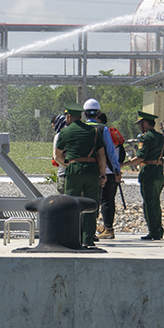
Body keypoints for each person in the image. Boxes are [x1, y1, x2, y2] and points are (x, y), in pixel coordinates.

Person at [54, 101, 107, 247]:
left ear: (69, 117)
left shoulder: (64, 132)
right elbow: (102, 155)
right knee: (90, 205)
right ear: (81, 116)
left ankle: (73, 237)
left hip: (73, 170)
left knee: (72, 205)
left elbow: (57, 155)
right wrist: (103, 174)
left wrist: (67, 164)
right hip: (92, 170)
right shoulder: (95, 131)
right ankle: (88, 239)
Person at [122, 111, 164, 240]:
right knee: (156, 202)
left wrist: (123, 165)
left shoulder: (145, 137)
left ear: (146, 123)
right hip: (159, 173)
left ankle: (153, 231)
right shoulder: (162, 138)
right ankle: (158, 230)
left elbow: (140, 157)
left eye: (140, 124)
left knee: (149, 203)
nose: (139, 127)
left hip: (148, 172)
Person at [83, 99, 121, 240]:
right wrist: (117, 170)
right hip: (108, 172)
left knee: (91, 201)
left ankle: (88, 230)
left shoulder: (82, 128)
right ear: (98, 113)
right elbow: (110, 152)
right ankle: (108, 228)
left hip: (90, 171)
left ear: (84, 114)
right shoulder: (103, 129)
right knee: (107, 201)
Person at [51, 113, 68, 194]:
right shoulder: (76, 133)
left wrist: (69, 167)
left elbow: (56, 157)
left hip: (63, 174)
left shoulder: (59, 135)